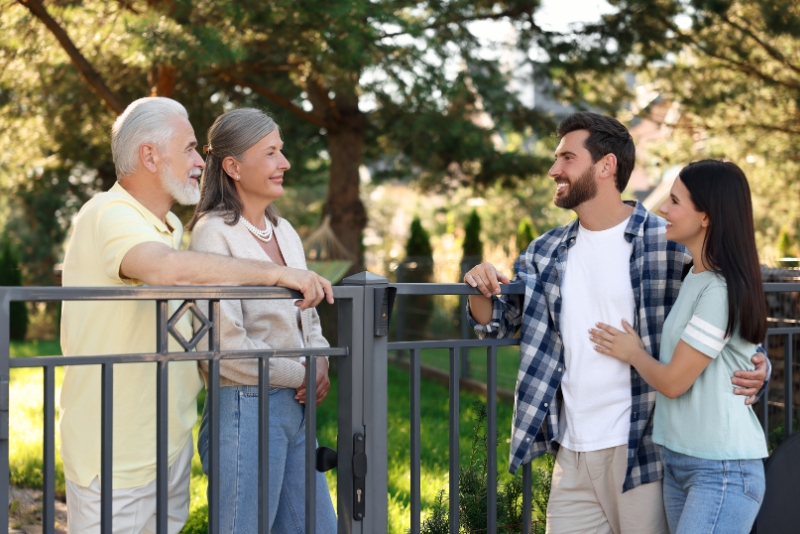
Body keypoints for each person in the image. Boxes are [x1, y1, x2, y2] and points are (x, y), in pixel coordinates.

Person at [463, 112, 768, 534]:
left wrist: (759, 363)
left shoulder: (668, 242)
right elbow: (498, 321)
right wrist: (480, 286)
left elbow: (729, 301)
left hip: (643, 450)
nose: (554, 170)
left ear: (606, 166)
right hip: (572, 451)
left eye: (567, 158)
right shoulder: (546, 250)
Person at [60, 97, 333, 534]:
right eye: (189, 147)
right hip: (114, 454)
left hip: (167, 447)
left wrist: (315, 358)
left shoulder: (168, 228)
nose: (198, 160)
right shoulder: (107, 214)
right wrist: (276, 274)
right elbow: (170, 276)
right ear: (149, 155)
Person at [590, 160, 768, 533]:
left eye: (674, 201)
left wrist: (633, 353)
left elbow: (673, 382)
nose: (662, 209)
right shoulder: (695, 277)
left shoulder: (718, 289)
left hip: (720, 470)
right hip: (680, 462)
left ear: (706, 216)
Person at [187, 108, 337, 533]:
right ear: (233, 167)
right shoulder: (212, 233)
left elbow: (309, 321)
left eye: (281, 151)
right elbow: (223, 347)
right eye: (270, 153)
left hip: (295, 408)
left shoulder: (284, 230)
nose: (284, 163)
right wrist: (302, 373)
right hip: (245, 408)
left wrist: (320, 359)